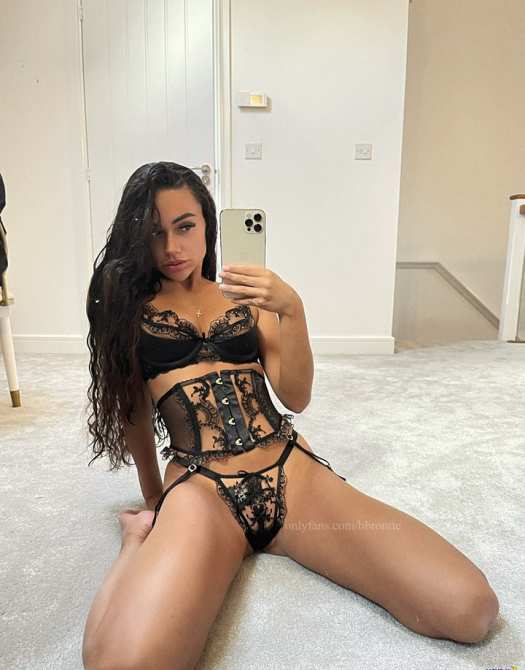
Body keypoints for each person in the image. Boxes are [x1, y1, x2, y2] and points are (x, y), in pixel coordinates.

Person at [81, 162, 499, 670]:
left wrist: (292, 310)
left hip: (290, 474)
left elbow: (295, 397)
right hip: (201, 488)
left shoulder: (247, 296)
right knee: (123, 665)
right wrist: (153, 499)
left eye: (185, 226)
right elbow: (132, 412)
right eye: (155, 232)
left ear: (209, 224)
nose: (172, 247)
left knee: (471, 609)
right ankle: (133, 545)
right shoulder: (129, 312)